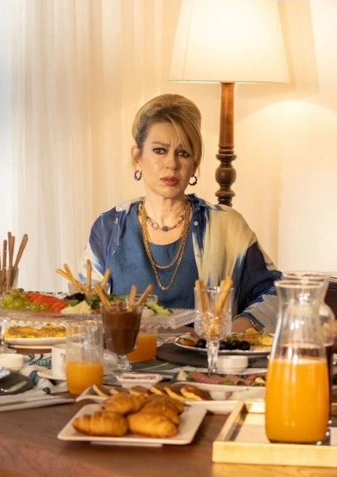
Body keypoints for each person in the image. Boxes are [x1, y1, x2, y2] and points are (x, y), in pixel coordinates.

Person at [79, 94, 281, 332]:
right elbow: (83, 308)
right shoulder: (110, 227)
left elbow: (276, 293)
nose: (172, 164)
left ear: (194, 165)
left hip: (203, 355)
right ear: (137, 158)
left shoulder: (226, 225)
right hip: (124, 355)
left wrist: (229, 331)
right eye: (159, 150)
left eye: (183, 153)